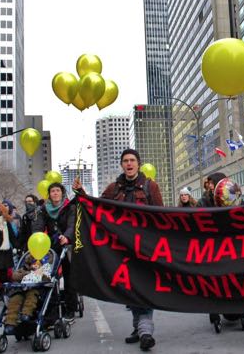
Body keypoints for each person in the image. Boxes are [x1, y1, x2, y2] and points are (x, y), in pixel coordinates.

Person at [74, 148, 163, 351]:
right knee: (129, 289)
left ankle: (145, 331)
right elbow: (96, 208)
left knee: (144, 287)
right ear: (122, 165)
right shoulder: (114, 189)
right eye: (125, 161)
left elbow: (161, 216)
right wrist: (81, 194)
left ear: (138, 164)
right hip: (121, 249)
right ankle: (138, 328)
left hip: (145, 247)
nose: (129, 164)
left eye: (132, 160)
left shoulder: (151, 186)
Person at [31, 183, 76, 320]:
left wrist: (67, 237)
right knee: (49, 276)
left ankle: (71, 308)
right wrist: (37, 237)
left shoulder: (70, 207)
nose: (55, 193)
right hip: (51, 245)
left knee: (69, 277)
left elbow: (72, 224)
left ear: (62, 193)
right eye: (52, 191)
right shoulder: (43, 209)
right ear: (49, 194)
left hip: (67, 244)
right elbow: (38, 226)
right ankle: (52, 307)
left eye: (57, 191)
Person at [3, 253, 53, 334]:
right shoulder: (23, 268)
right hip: (21, 290)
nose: (35, 265)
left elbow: (47, 278)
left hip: (35, 290)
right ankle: (10, 322)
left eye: (37, 263)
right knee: (14, 300)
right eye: (33, 263)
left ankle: (26, 314)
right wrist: (27, 274)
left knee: (31, 298)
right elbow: (14, 275)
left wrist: (38, 272)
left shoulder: (45, 269)